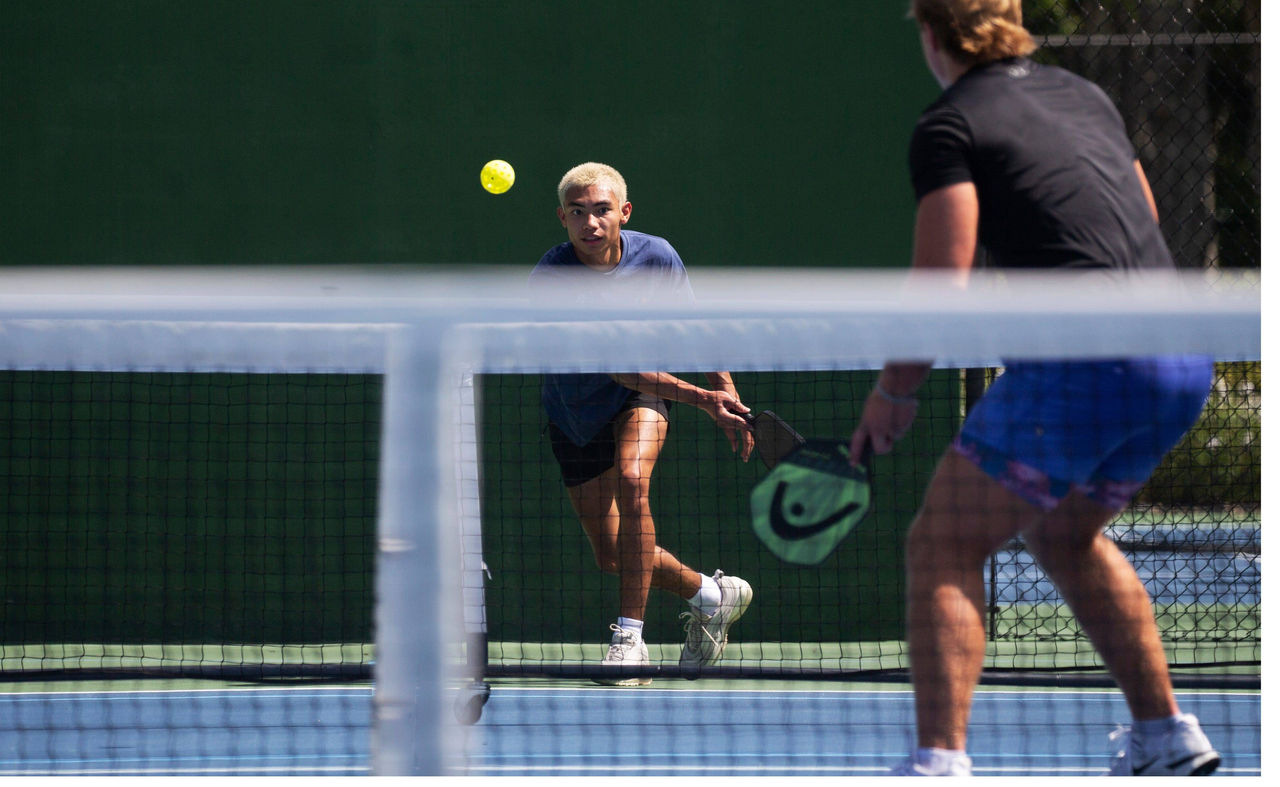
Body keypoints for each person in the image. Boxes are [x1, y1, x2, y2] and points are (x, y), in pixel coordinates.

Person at [848, 1, 1220, 776]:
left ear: (930, 31)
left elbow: (942, 275)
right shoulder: (1083, 95)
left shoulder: (948, 125)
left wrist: (896, 389)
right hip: (1182, 357)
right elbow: (1139, 218)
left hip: (1087, 360)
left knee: (944, 541)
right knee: (1063, 533)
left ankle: (938, 761)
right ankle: (1167, 732)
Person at [529, 162, 756, 686]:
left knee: (634, 481)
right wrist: (705, 399)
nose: (591, 222)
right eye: (579, 213)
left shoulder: (657, 256)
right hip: (573, 411)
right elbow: (614, 362)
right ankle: (712, 595)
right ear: (562, 218)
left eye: (602, 210)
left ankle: (629, 639)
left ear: (624, 212)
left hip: (643, 394)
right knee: (614, 556)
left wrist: (726, 389)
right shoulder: (553, 277)